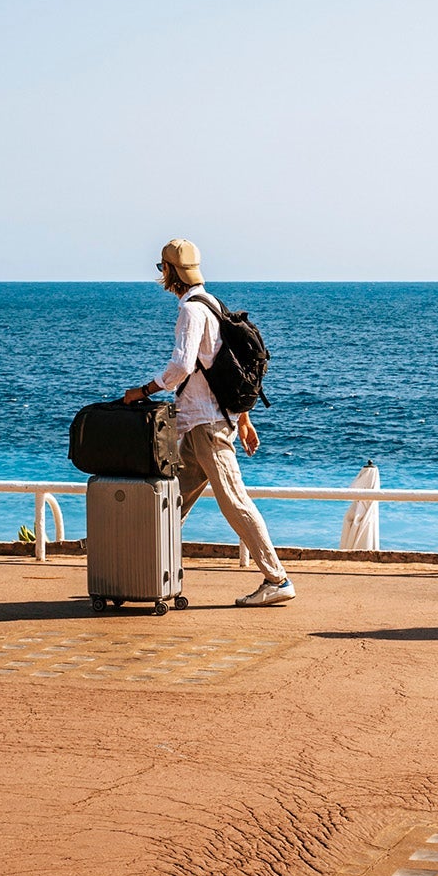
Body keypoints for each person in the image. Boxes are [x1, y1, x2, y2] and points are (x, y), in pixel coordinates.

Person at [123, 238, 295, 607]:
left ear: (171, 272)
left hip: (206, 425)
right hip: (203, 423)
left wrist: (143, 390)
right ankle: (145, 573)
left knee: (234, 501)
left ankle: (276, 578)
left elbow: (182, 366)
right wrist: (243, 419)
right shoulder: (213, 304)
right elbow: (224, 368)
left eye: (162, 269)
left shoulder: (191, 310)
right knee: (172, 503)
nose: (162, 276)